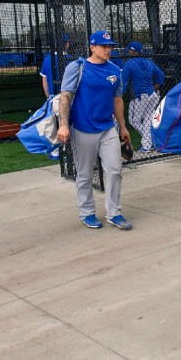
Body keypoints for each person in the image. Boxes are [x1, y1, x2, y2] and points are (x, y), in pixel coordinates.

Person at [55, 30, 132, 230]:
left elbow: (117, 100)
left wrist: (123, 127)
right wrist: (63, 125)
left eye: (110, 46)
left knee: (114, 170)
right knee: (85, 174)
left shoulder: (114, 70)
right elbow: (65, 96)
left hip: (107, 127)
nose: (108, 50)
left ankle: (114, 213)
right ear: (92, 47)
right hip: (83, 128)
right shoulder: (77, 67)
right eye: (104, 46)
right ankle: (87, 212)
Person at [119, 41, 166, 152]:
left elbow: (124, 82)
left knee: (133, 120)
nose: (128, 51)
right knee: (147, 120)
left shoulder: (129, 64)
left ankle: (149, 142)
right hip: (153, 95)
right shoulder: (149, 62)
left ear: (133, 51)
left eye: (130, 50)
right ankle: (147, 145)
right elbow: (161, 76)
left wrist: (120, 96)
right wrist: (154, 87)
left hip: (141, 97)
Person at [41, 34, 72, 98]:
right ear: (67, 44)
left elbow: (45, 82)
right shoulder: (71, 60)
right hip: (68, 96)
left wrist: (48, 97)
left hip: (52, 96)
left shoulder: (47, 60)